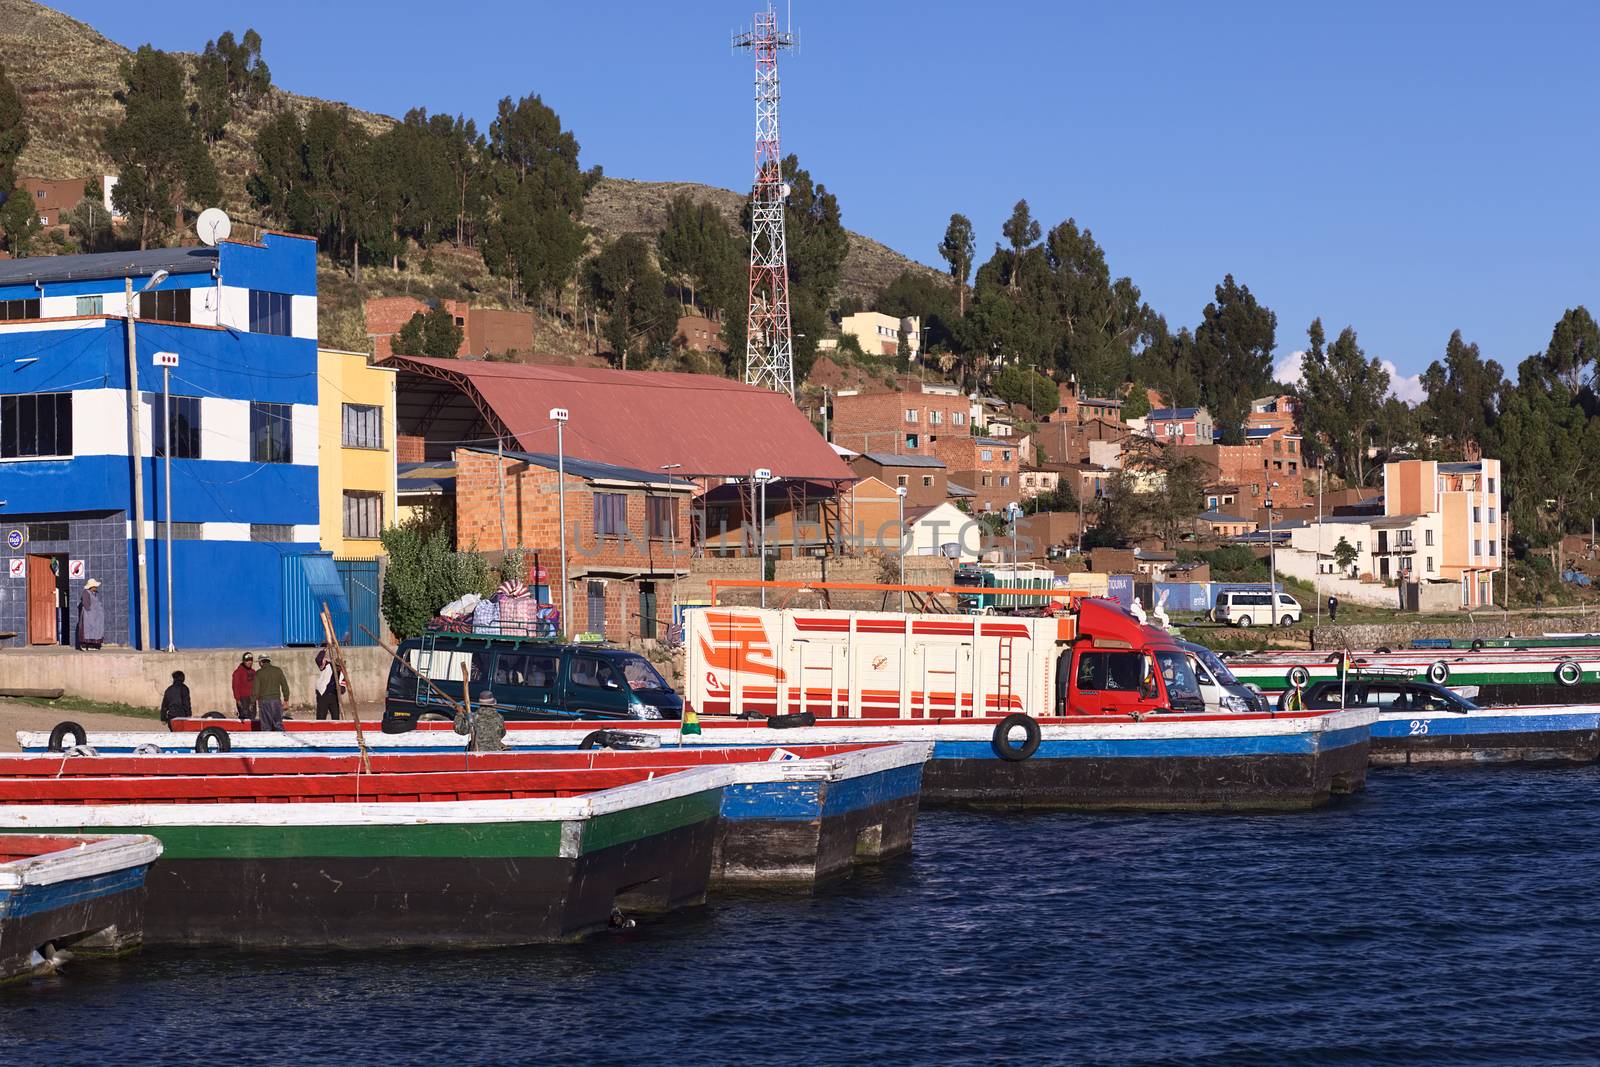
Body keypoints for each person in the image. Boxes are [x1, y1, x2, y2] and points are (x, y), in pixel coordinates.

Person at [252, 655, 290, 732]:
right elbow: (285, 686)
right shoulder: (278, 670)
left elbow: (256, 691)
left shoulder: (259, 673)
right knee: (278, 724)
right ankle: (281, 741)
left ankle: (268, 742)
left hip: (264, 702)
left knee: (266, 726)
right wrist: (286, 699)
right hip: (276, 701)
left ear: (261, 662)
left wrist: (252, 701)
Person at [314, 646, 342, 722]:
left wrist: (340, 689)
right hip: (323, 694)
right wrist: (325, 649)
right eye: (338, 666)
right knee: (321, 717)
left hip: (334, 696)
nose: (339, 668)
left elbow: (343, 687)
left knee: (336, 717)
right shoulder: (328, 665)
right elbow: (318, 660)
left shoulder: (343, 673)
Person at [76, 578, 105, 650]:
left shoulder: (93, 594)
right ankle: (85, 646)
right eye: (95, 586)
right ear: (92, 587)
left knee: (95, 630)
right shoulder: (86, 593)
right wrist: (91, 612)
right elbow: (86, 605)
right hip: (88, 616)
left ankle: (92, 645)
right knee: (87, 630)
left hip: (94, 617)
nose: (96, 587)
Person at [231, 653, 258, 722]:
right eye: (247, 660)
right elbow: (235, 686)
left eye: (251, 660)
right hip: (243, 699)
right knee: (245, 718)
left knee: (253, 717)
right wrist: (238, 699)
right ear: (243, 661)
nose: (249, 662)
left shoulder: (253, 672)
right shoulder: (237, 672)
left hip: (252, 699)